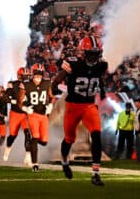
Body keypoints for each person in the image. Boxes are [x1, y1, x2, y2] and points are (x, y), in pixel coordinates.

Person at [52, 35, 107, 186]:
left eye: (96, 54)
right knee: (70, 139)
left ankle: (95, 173)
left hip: (89, 105)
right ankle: (64, 162)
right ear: (83, 53)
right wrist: (55, 84)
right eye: (90, 53)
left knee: (96, 134)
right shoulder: (73, 63)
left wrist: (102, 89)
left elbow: (98, 77)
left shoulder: (101, 65)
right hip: (73, 106)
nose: (93, 57)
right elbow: (59, 77)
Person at [18, 63, 55, 172]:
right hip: (32, 113)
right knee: (35, 136)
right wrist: (25, 109)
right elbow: (20, 102)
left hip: (43, 115)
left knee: (44, 141)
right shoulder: (25, 84)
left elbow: (52, 97)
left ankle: (29, 146)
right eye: (36, 74)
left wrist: (51, 105)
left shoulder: (47, 83)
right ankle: (35, 164)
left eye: (40, 74)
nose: (38, 76)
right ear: (32, 74)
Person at [2, 67, 32, 165]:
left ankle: (27, 157)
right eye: (24, 76)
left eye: (27, 76)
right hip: (15, 113)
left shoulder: (32, 85)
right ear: (19, 76)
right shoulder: (13, 84)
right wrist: (13, 101)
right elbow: (5, 97)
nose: (26, 78)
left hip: (26, 114)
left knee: (28, 134)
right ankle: (7, 151)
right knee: (12, 136)